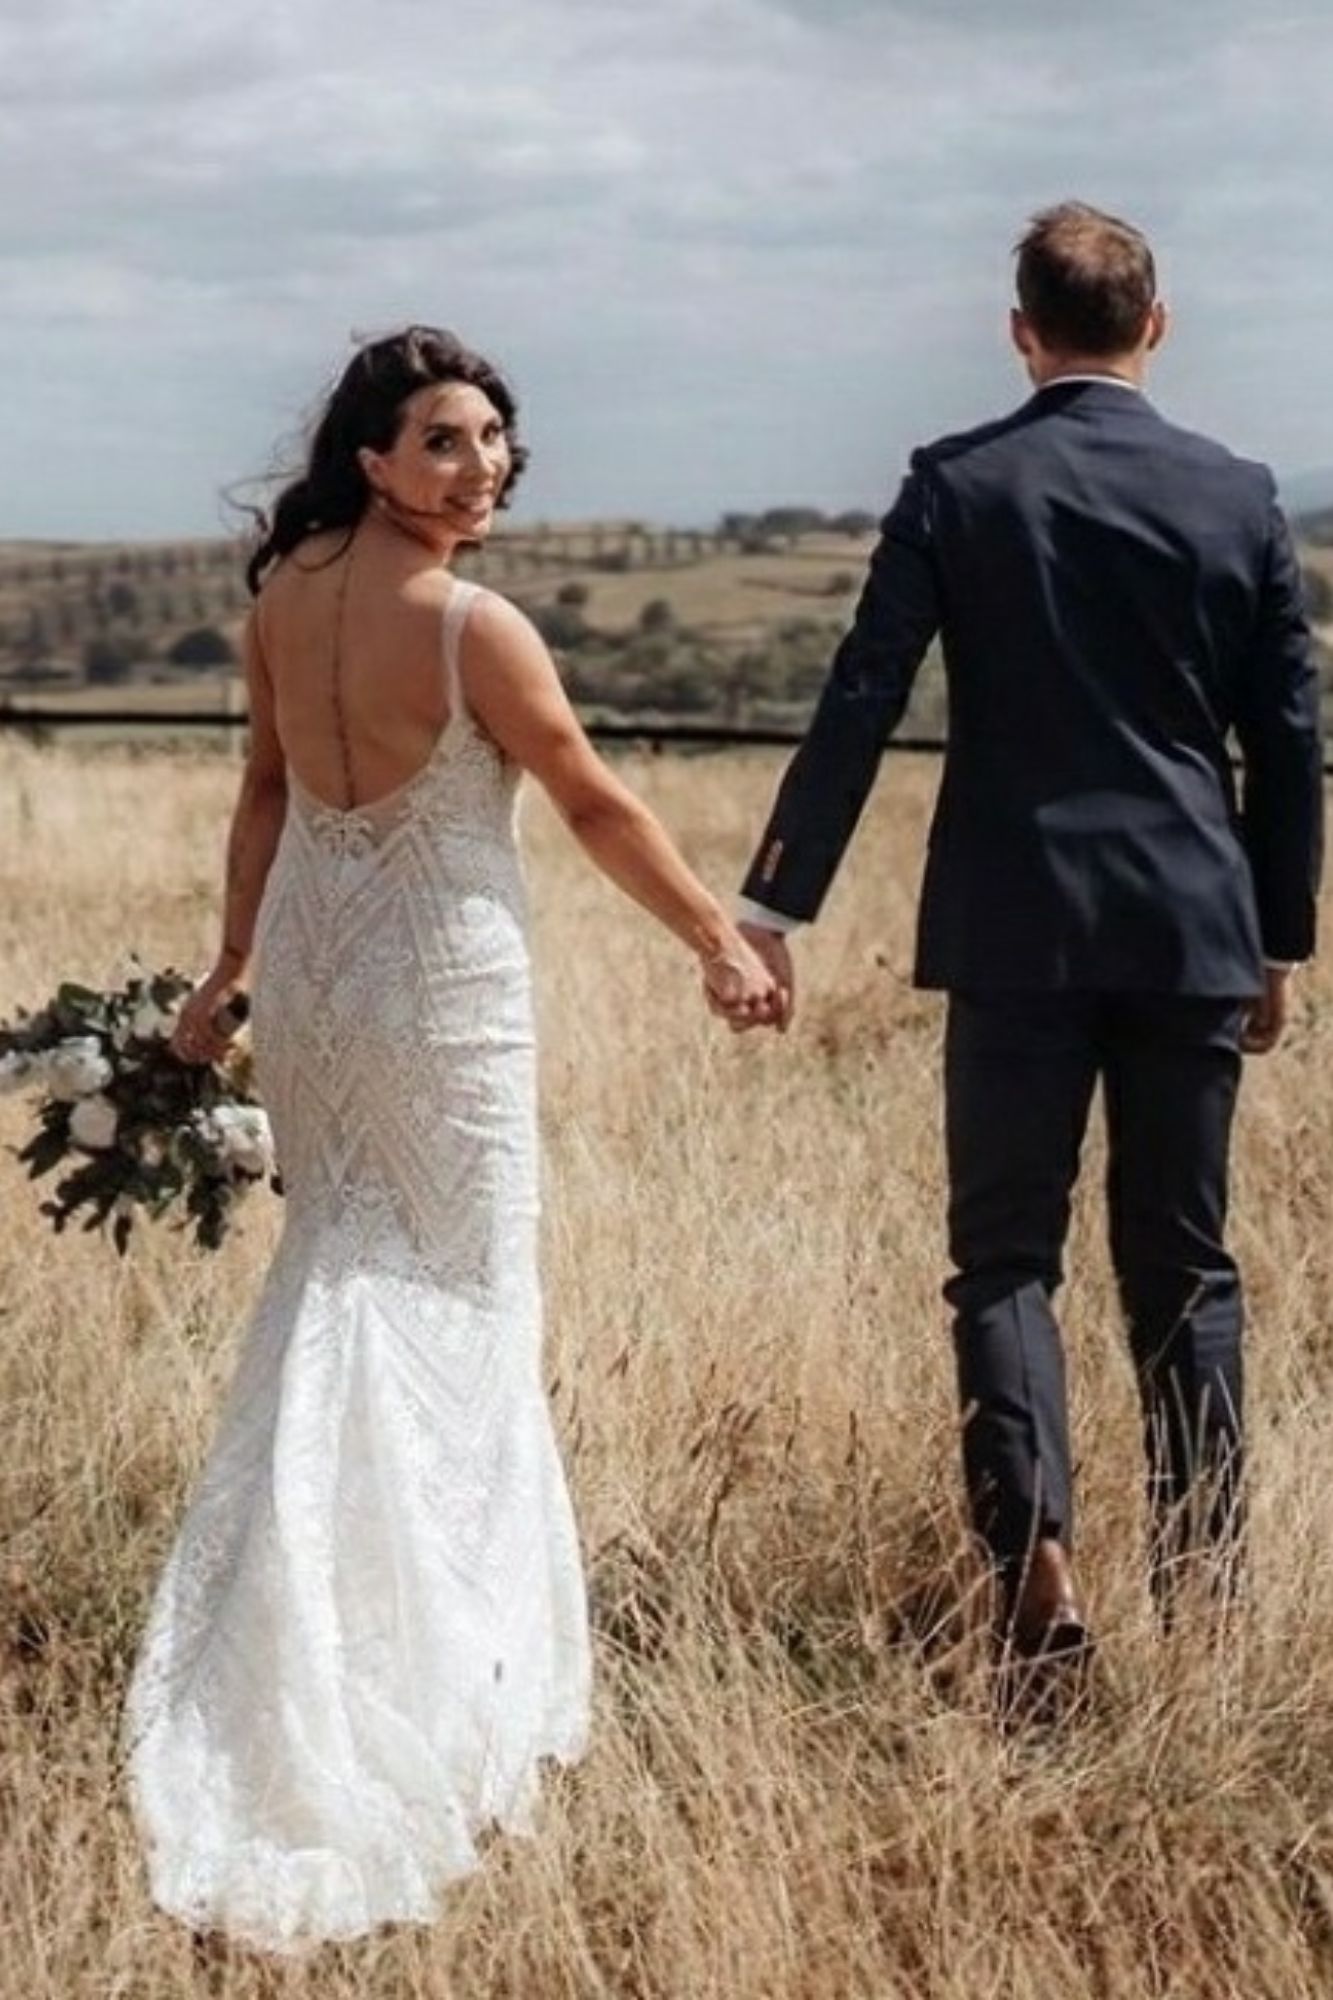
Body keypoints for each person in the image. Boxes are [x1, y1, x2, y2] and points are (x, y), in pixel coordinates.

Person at [122, 324, 775, 1951]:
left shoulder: (279, 601)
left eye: (490, 441)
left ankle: (314, 1595)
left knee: (344, 1267)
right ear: (371, 458)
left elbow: (263, 795)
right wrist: (715, 936)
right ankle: (433, 1656)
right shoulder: (474, 624)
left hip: (329, 978)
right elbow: (593, 798)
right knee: (461, 1297)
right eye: (441, 441)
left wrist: (237, 965)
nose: (476, 467)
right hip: (437, 993)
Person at [734, 204, 1323, 1671]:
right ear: (1156, 324)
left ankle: (1037, 1558)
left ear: (1019, 331)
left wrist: (774, 900)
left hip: (1010, 926)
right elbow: (1288, 740)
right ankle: (1204, 1588)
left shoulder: (956, 483)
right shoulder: (1240, 495)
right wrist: (1279, 936)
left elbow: (862, 695)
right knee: (1182, 1263)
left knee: (1004, 1258)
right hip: (1192, 922)